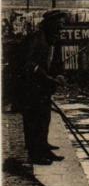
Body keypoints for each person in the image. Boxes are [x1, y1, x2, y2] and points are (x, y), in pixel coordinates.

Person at [20, 10, 67, 165]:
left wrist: (59, 75)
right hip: (31, 87)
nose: (61, 27)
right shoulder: (36, 39)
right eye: (59, 24)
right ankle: (35, 154)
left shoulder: (53, 40)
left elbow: (56, 63)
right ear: (50, 24)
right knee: (33, 119)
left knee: (44, 117)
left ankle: (44, 147)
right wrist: (46, 77)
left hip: (43, 88)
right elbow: (29, 64)